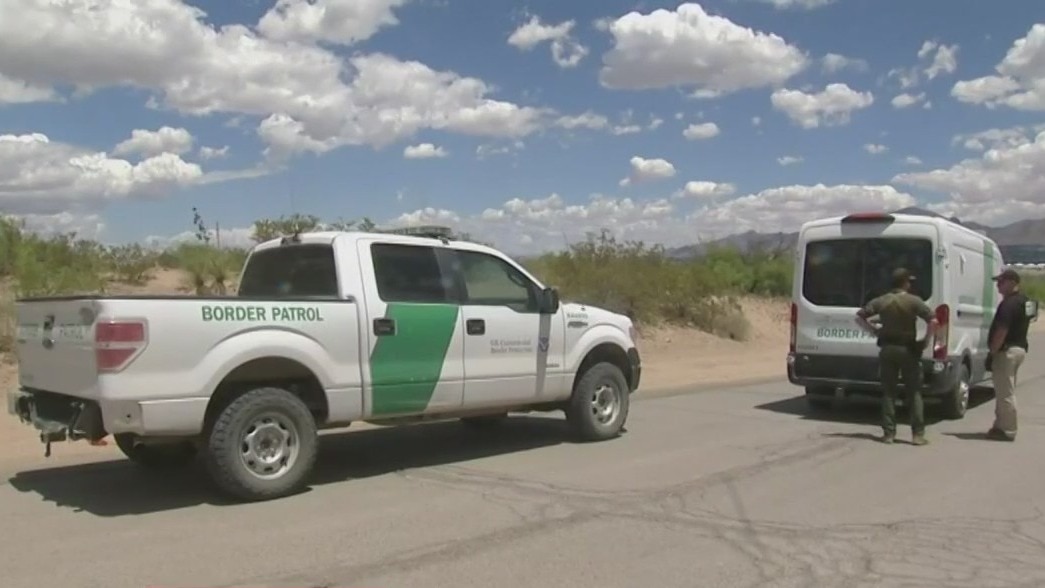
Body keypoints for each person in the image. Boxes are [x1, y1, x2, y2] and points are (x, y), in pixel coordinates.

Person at [855, 268, 939, 445]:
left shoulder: (882, 301)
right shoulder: (913, 301)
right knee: (914, 391)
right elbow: (933, 320)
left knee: (888, 392)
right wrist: (925, 340)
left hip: (887, 348)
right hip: (908, 349)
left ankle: (889, 434)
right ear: (906, 283)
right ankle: (917, 434)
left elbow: (860, 317)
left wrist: (873, 331)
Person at [986, 267, 1031, 442]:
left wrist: (993, 350)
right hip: (1019, 348)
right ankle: (1000, 425)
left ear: (1013, 283)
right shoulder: (1024, 301)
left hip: (1007, 351)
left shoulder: (1008, 304)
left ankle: (1008, 430)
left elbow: (1002, 329)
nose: (998, 285)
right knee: (1004, 390)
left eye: (1002, 282)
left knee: (1005, 392)